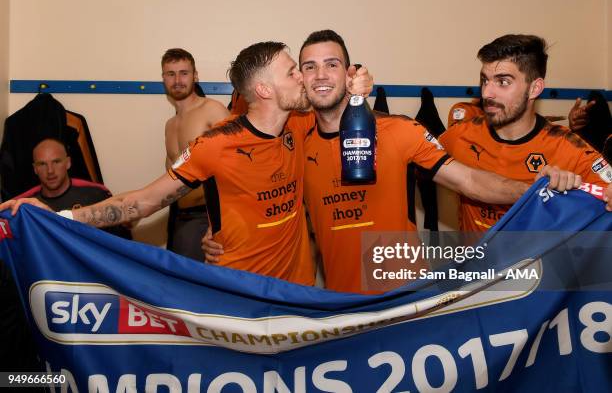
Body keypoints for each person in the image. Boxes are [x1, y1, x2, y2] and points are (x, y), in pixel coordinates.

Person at [204, 30, 592, 294]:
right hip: (337, 303)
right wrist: (220, 233)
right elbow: (252, 176)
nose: (321, 74)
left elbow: (470, 182)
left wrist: (539, 189)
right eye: (309, 66)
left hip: (407, 296)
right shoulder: (296, 132)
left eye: (333, 64)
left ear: (351, 73)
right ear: (300, 80)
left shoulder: (401, 131)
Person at [2, 41, 371, 286]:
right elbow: (143, 202)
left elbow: (338, 107)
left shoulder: (300, 122)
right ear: (264, 90)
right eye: (293, 71)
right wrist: (56, 216)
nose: (303, 77)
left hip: (296, 292)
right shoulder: (217, 143)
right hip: (239, 295)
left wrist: (357, 83)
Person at [439, 34, 612, 232]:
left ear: (534, 88)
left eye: (503, 82)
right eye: (484, 80)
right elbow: (418, 167)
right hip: (475, 262)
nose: (487, 93)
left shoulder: (570, 150)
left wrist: (570, 188)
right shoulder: (460, 136)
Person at [161, 48, 230, 260]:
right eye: (170, 74)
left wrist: (223, 222)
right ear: (163, 78)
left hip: (211, 216)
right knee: (180, 287)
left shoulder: (212, 110)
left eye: (184, 73)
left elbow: (241, 163)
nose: (177, 80)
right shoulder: (170, 125)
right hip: (181, 218)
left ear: (195, 75)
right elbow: (172, 178)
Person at [15, 138, 132, 240]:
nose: (50, 171)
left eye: (56, 161)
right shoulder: (24, 206)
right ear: (35, 169)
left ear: (68, 163)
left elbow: (120, 245)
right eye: (42, 164)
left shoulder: (96, 195)